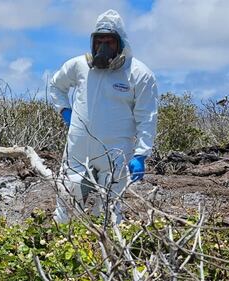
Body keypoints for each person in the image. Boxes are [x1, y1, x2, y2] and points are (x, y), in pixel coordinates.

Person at [48, 9, 158, 224]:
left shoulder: (139, 74)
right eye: (99, 41)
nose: (103, 47)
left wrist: (141, 154)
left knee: (109, 209)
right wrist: (64, 109)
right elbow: (56, 85)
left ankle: (109, 254)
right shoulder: (79, 66)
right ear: (93, 42)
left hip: (115, 152)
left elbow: (147, 116)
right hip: (78, 149)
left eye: (109, 41)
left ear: (120, 43)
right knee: (67, 203)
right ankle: (60, 249)